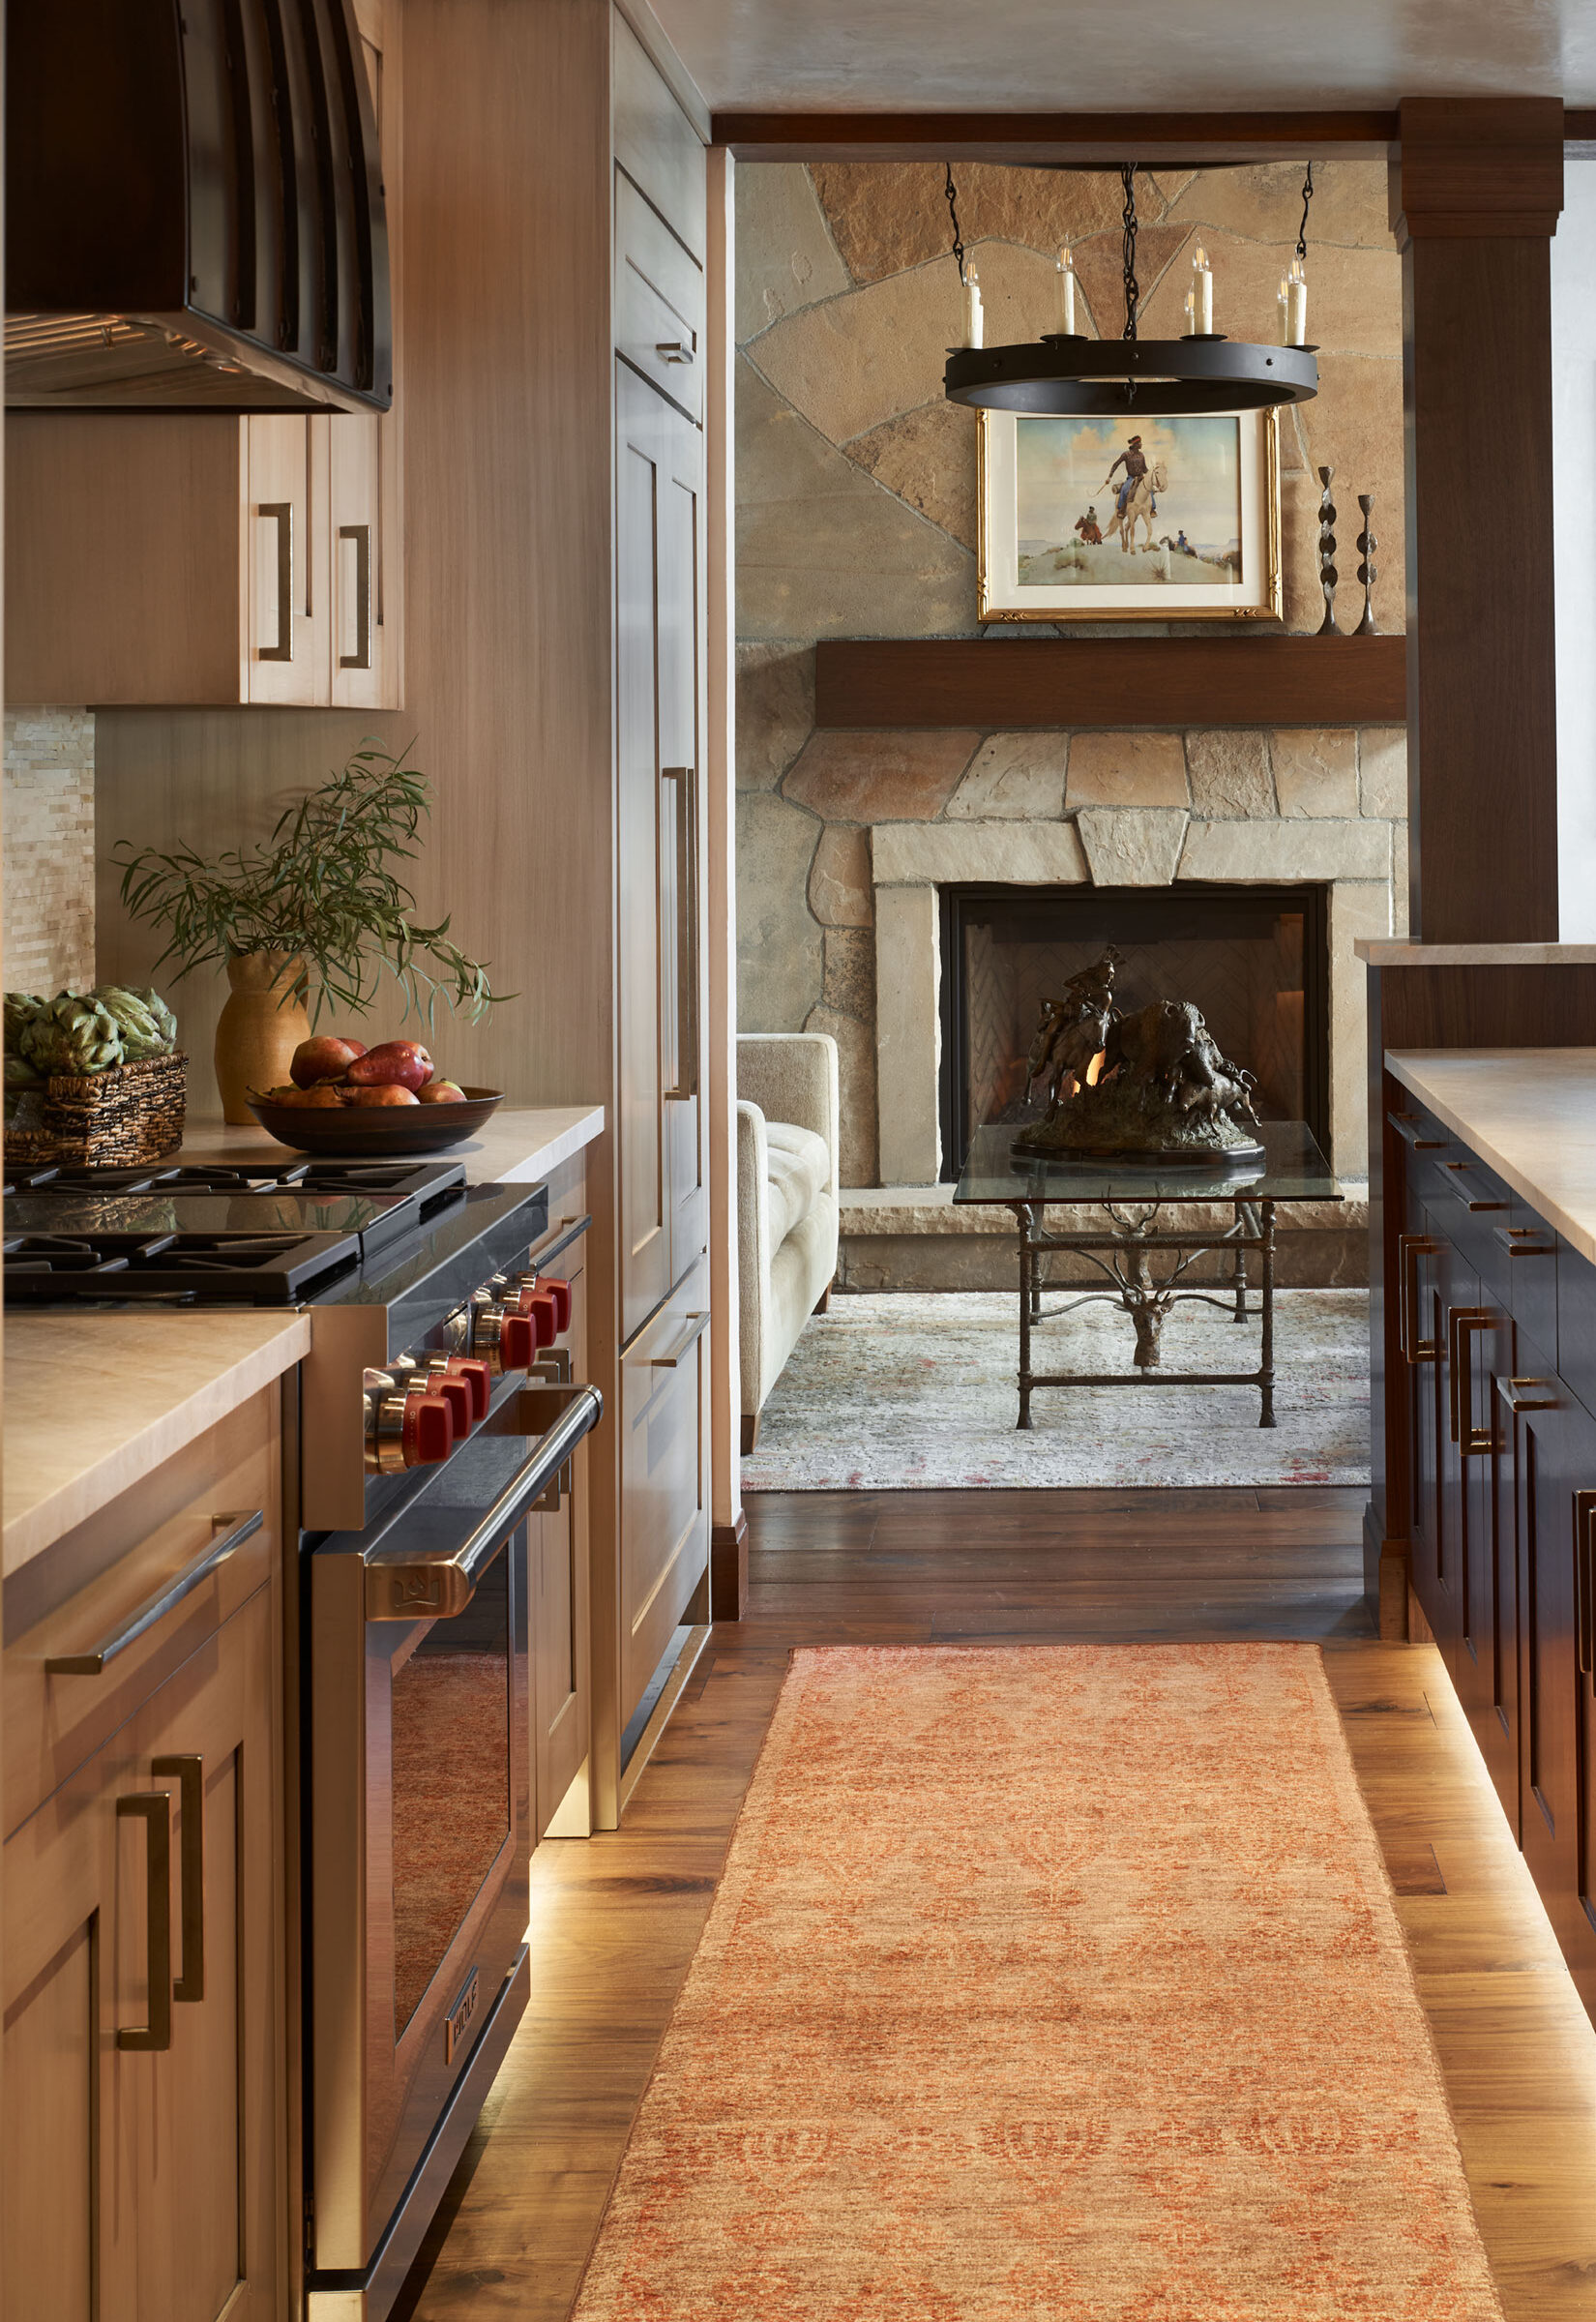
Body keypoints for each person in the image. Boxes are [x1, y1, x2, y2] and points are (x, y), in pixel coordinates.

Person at [1104, 434, 1147, 519]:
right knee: (1124, 489)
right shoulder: (1126, 454)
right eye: (1140, 443)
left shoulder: (1142, 455)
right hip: (1131, 478)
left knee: (1150, 490)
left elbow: (1145, 469)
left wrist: (1152, 474)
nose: (1141, 444)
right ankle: (1121, 509)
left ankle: (1152, 509)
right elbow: (1115, 464)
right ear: (1135, 444)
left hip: (1141, 478)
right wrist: (1109, 477)